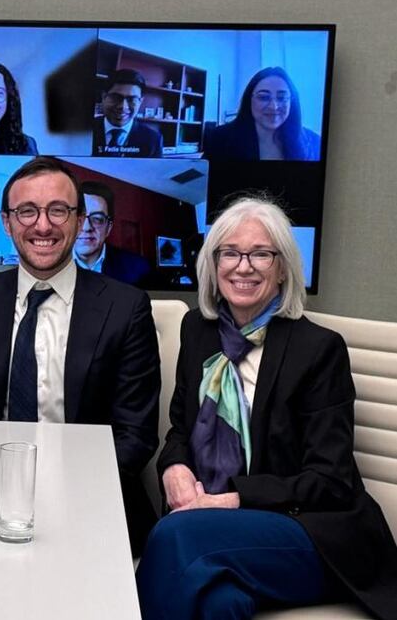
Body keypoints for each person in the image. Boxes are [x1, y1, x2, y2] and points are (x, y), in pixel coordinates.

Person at [136, 197, 397, 619]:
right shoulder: (197, 330)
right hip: (218, 534)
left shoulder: (319, 350)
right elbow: (180, 428)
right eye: (230, 253)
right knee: (218, 603)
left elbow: (329, 480)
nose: (243, 267)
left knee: (173, 536)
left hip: (310, 533)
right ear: (213, 264)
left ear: (283, 268)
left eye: (261, 254)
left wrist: (232, 500)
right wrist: (174, 467)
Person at [0, 156, 160, 555]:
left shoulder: (126, 308)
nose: (42, 226)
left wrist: (56, 492)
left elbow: (135, 437)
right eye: (27, 211)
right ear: (7, 223)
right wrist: (0, 494)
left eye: (58, 210)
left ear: (78, 219)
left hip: (94, 503)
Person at [203, 67, 322, 161]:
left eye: (281, 98)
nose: (274, 107)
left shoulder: (314, 143)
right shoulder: (219, 138)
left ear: (292, 102)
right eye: (264, 97)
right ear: (249, 100)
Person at [74, 181, 152, 286]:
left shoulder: (138, 269)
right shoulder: (52, 265)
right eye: (79, 217)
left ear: (108, 228)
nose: (86, 227)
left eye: (97, 219)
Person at [92, 69, 163, 158]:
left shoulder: (153, 140)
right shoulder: (80, 131)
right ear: (104, 97)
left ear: (140, 102)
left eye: (132, 99)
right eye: (116, 97)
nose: (123, 106)